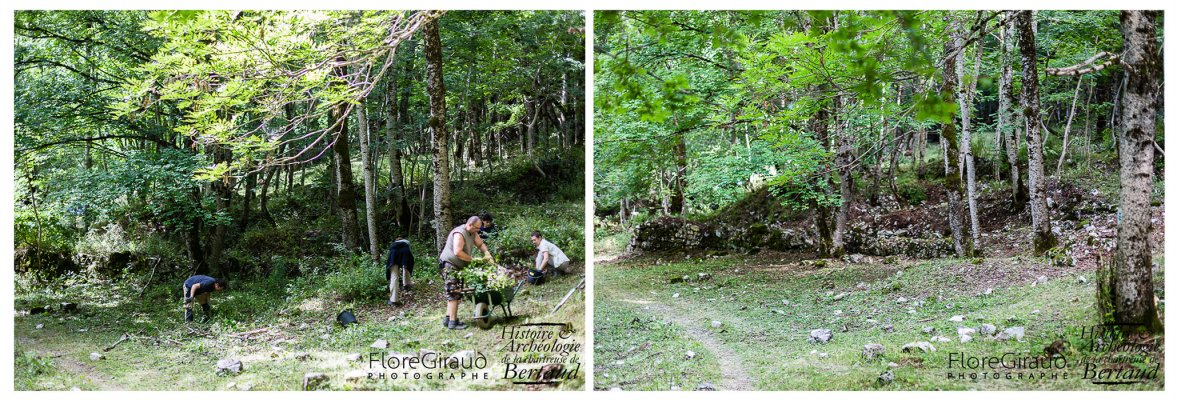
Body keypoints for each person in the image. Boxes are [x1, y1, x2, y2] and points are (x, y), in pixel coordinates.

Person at [438, 216, 493, 330]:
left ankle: (448, 319)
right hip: (449, 265)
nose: (478, 230)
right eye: (477, 228)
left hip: (458, 266)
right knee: (453, 293)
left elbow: (480, 244)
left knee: (455, 291)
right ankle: (453, 322)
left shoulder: (473, 232)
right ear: (469, 225)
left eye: (479, 228)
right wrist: (473, 260)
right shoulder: (459, 233)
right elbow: (458, 252)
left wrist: (487, 254)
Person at [385, 237, 414, 306]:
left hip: (394, 254)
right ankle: (407, 285)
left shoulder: (394, 244)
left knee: (394, 276)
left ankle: (393, 300)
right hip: (405, 252)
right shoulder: (406, 243)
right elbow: (410, 260)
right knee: (406, 267)